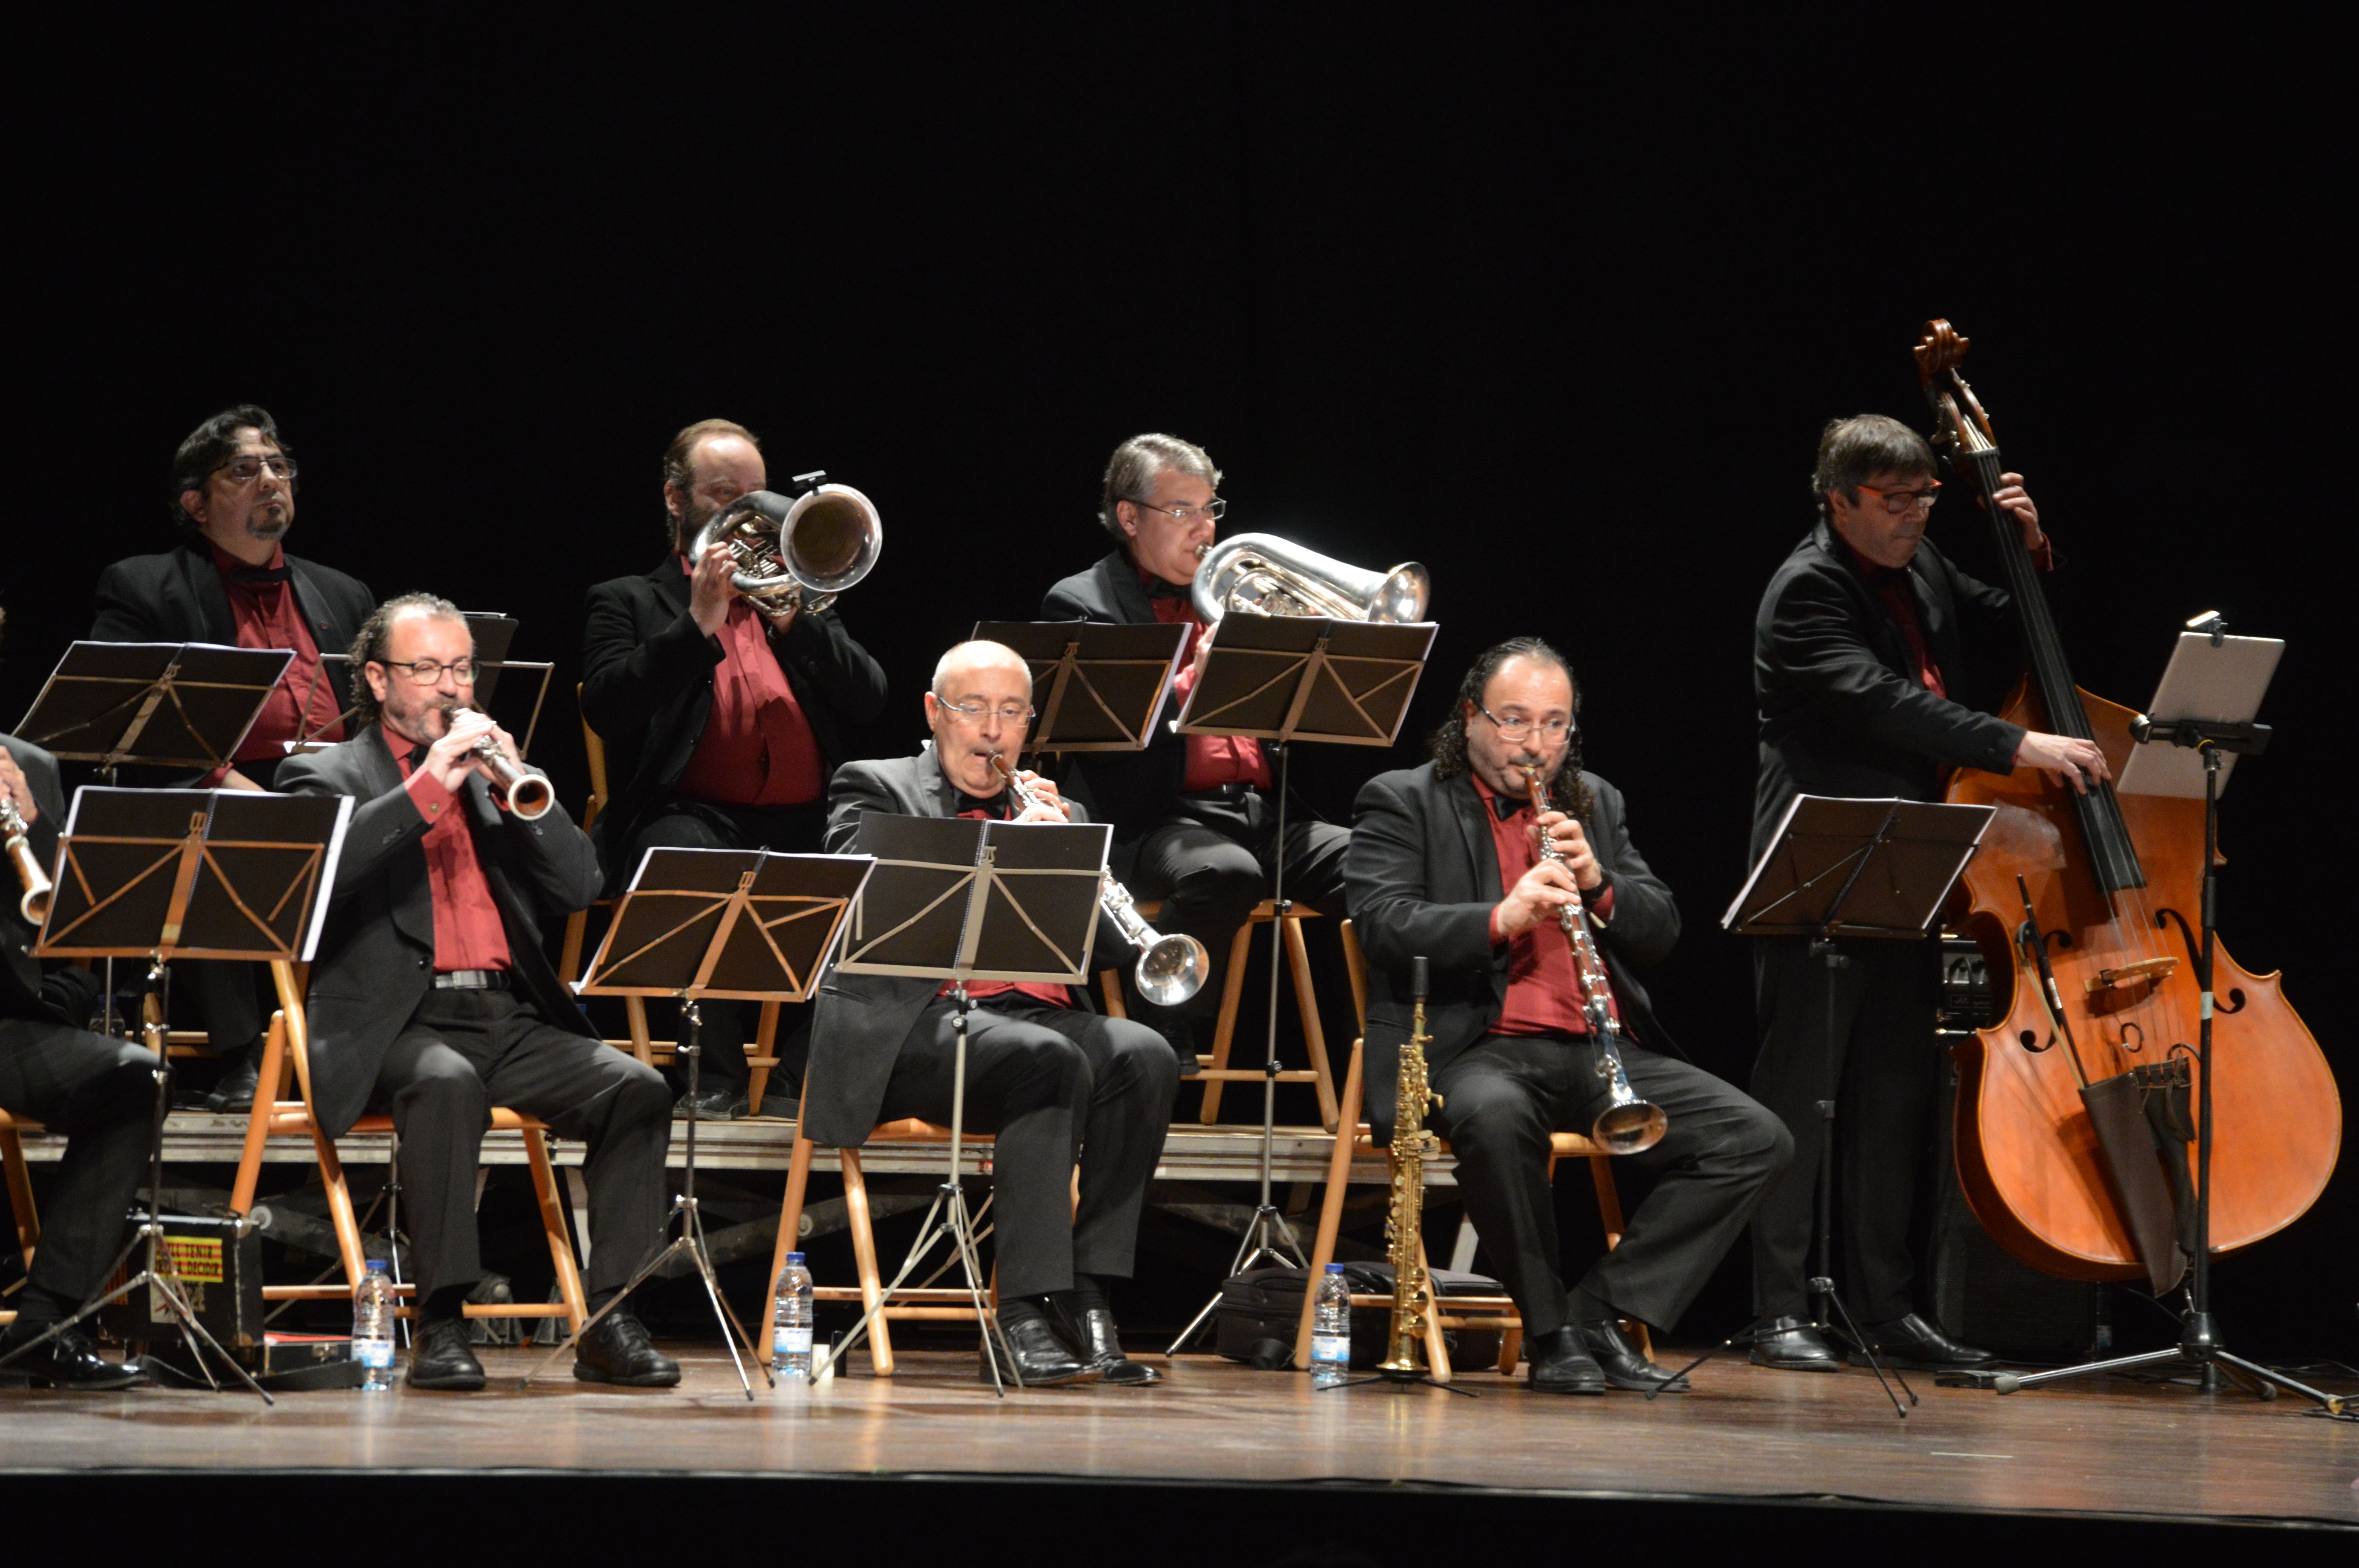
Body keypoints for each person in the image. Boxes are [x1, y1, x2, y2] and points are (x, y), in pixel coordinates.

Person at [1746, 414, 2110, 1373]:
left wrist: (2027, 550)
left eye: (1925, 498)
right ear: (1839, 499)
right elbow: (1879, 697)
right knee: (1798, 1094)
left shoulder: (1917, 566)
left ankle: (1886, 1304)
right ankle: (1778, 1307)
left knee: (1896, 1092)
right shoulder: (1806, 588)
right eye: (1894, 501)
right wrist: (2014, 746)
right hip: (1821, 857)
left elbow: (2007, 620)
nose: (1913, 517)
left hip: (1919, 857)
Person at [1347, 637, 1791, 1394]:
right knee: (1493, 1119)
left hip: (1598, 1048)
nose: (1537, 746)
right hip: (1473, 1047)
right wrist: (1501, 918)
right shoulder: (1405, 799)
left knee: (1756, 1138)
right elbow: (1385, 924)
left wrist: (1601, 882)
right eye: (1515, 721)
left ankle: (1596, 1313)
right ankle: (1550, 1334)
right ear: (1470, 718)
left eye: (1556, 726)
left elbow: (1661, 930)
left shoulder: (1595, 801)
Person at [277, 594, 678, 1392]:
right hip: (397, 1022)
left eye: (461, 667)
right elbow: (319, 877)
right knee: (444, 1080)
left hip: (507, 1014)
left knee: (637, 1087)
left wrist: (522, 792)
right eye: (426, 669)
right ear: (379, 679)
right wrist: (430, 787)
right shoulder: (320, 771)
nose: (450, 688)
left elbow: (579, 885)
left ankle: (612, 1317)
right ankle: (443, 1320)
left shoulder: (495, 778)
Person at [796, 640, 1177, 1387]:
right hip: (913, 1030)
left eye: (1010, 714)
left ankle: (1088, 1295)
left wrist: (1062, 856)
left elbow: (1101, 950)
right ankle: (1023, 1313)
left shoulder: (1054, 808)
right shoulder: (872, 786)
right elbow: (858, 908)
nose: (993, 732)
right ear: (936, 714)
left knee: (1144, 1055)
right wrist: (998, 848)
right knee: (1049, 1061)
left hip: (1032, 1017)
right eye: (974, 711)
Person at [582, 418, 888, 1119]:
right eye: (725, 492)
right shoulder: (627, 599)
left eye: (759, 492)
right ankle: (713, 1077)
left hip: (803, 817)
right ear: (675, 498)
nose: (751, 509)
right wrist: (697, 622)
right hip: (688, 814)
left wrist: (792, 619)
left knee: (883, 868)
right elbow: (609, 708)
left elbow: (868, 698)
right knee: (691, 857)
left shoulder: (802, 597)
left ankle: (797, 1078)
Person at [89, 406, 375, 1112]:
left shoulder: (344, 594)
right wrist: (241, 787)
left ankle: (386, 1038)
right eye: (244, 470)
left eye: (279, 466)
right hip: (210, 781)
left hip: (332, 786)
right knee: (212, 818)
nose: (270, 480)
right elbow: (130, 724)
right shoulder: (144, 585)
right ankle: (247, 1050)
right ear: (196, 502)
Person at [1041, 433, 1349, 1069]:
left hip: (1264, 811)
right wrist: (1193, 688)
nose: (1203, 529)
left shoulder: (1245, 598)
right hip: (1156, 817)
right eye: (1182, 510)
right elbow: (1105, 751)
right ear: (1130, 517)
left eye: (1210, 509)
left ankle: (1401, 1053)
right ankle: (1162, 1026)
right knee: (1225, 873)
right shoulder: (1083, 604)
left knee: (1383, 865)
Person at [0, 614, 155, 1389]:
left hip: (9, 1022)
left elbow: (68, 930)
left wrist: (31, 826)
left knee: (131, 1075)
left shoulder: (26, 764)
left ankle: (50, 1323)